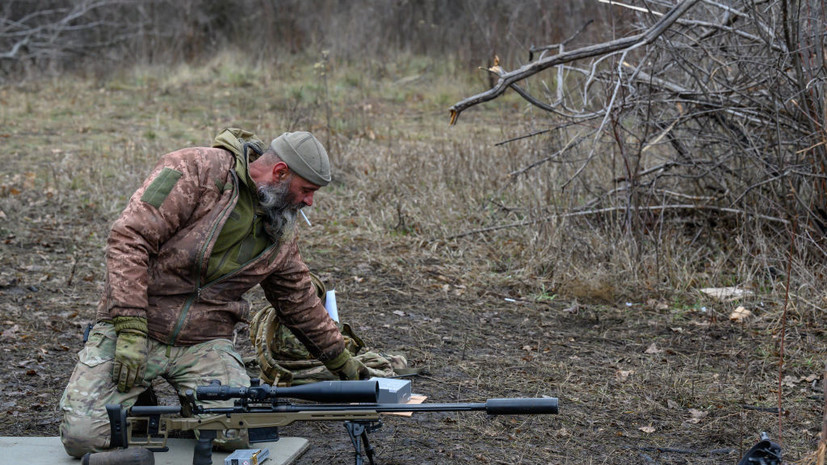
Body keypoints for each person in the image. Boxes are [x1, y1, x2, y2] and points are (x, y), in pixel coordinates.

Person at [59, 128, 368, 457]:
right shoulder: (195, 170)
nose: (309, 202)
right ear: (280, 173)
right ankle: (139, 396)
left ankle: (191, 403)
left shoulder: (280, 228)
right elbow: (129, 239)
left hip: (204, 340)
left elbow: (299, 302)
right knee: (83, 438)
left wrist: (343, 363)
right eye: (306, 190)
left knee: (235, 433)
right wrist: (130, 326)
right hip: (137, 328)